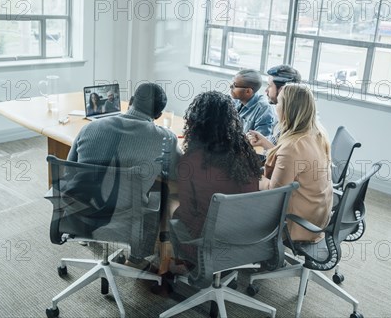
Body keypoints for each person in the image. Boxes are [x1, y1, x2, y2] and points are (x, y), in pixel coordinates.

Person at [68, 83, 182, 261]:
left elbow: (70, 168)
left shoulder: (89, 127)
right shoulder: (166, 138)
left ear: (130, 101)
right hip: (126, 216)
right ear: (158, 115)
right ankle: (140, 255)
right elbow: (176, 175)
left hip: (81, 209)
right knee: (162, 193)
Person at [173, 91, 262, 242]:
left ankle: (165, 261)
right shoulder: (246, 155)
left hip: (206, 244)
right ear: (231, 122)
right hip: (245, 240)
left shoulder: (191, 162)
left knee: (170, 208)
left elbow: (187, 213)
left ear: (195, 123)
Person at [259, 83, 333, 243]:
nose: (275, 107)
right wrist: (268, 146)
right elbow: (293, 163)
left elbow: (273, 193)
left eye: (278, 103)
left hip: (296, 225)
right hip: (316, 217)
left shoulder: (293, 146)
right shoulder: (317, 134)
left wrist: (252, 175)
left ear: (288, 109)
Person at [247, 64, 302, 151]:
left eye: (269, 85)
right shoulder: (283, 118)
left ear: (282, 90)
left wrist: (263, 144)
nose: (266, 90)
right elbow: (272, 148)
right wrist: (260, 141)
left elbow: (283, 157)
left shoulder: (295, 125)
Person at [230, 69, 276, 137]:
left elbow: (259, 142)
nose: (230, 86)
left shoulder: (264, 109)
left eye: (235, 85)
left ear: (248, 91)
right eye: (232, 82)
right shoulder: (235, 99)